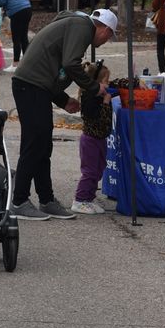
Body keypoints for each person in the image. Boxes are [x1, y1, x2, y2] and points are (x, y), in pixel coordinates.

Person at [10, 8, 117, 221]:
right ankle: (19, 200)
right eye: (109, 36)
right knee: (34, 143)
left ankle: (46, 199)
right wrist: (94, 88)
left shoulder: (76, 25)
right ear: (104, 29)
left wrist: (63, 100)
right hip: (30, 85)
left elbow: (55, 67)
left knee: (43, 144)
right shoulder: (83, 27)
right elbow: (70, 63)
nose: (106, 41)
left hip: (36, 86)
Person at [72, 60, 113, 215]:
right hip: (90, 140)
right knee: (89, 171)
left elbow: (117, 83)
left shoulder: (100, 93)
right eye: (105, 82)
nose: (108, 85)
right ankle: (80, 199)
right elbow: (98, 119)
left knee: (98, 169)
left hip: (100, 139)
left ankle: (89, 197)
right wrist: (106, 103)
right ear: (96, 83)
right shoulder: (89, 98)